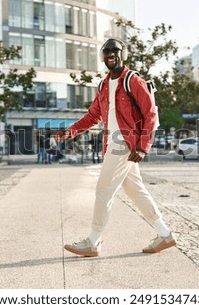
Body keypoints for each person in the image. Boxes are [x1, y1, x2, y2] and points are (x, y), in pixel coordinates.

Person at [59, 38, 176, 257]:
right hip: (112, 141)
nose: (110, 54)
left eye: (115, 50)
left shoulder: (132, 80)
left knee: (103, 190)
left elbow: (150, 114)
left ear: (123, 54)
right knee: (135, 190)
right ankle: (164, 233)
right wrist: (71, 131)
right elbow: (94, 115)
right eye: (107, 51)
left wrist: (142, 147)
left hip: (124, 142)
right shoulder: (104, 84)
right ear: (103, 56)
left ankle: (93, 241)